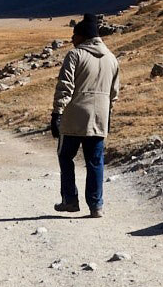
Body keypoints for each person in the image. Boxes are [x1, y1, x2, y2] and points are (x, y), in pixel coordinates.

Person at [50, 13, 119, 217]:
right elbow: (114, 94)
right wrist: (107, 114)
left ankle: (70, 200)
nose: (72, 39)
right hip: (99, 118)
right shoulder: (112, 59)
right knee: (95, 161)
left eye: (74, 35)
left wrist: (57, 113)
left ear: (83, 36)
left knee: (65, 156)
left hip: (73, 118)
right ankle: (96, 205)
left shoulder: (75, 55)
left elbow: (65, 87)